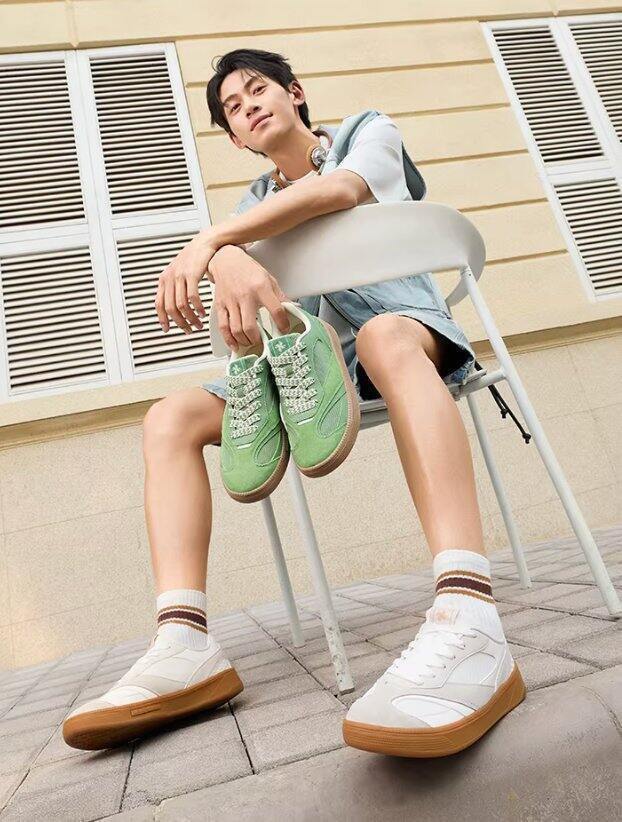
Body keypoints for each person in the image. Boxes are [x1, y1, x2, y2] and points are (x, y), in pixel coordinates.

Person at [62, 48, 526, 756]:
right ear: (234, 138)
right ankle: (184, 642)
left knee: (382, 335)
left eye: (258, 89)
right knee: (169, 418)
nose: (248, 105)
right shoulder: (250, 208)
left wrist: (215, 240)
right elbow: (248, 295)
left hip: (406, 332)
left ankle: (469, 612)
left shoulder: (368, 132)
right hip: (308, 370)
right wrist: (225, 254)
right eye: (233, 107)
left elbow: (340, 191)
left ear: (295, 93)